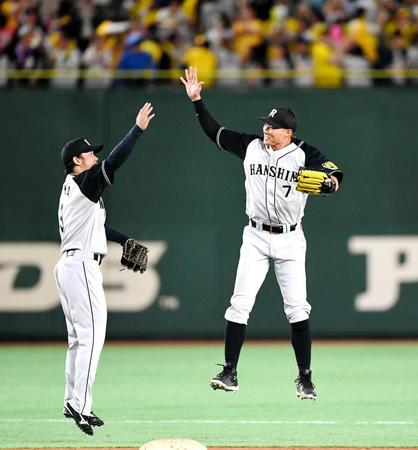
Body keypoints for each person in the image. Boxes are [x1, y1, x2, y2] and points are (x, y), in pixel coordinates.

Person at [180, 67, 343, 400]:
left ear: (287, 132)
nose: (265, 129)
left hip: (290, 238)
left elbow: (333, 173)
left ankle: (305, 378)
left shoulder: (304, 154)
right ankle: (229, 372)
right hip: (254, 236)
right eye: (265, 125)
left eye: (272, 126)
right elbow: (215, 132)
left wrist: (331, 182)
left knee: (297, 308)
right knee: (238, 305)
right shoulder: (251, 146)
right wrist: (197, 101)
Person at [53, 102, 155, 435]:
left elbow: (98, 230)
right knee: (92, 336)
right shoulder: (84, 182)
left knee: (77, 339)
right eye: (89, 154)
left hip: (71, 263)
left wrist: (124, 241)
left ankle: (73, 399)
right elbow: (114, 162)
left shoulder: (77, 189)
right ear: (76, 163)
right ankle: (81, 407)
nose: (95, 156)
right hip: (80, 265)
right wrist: (136, 129)